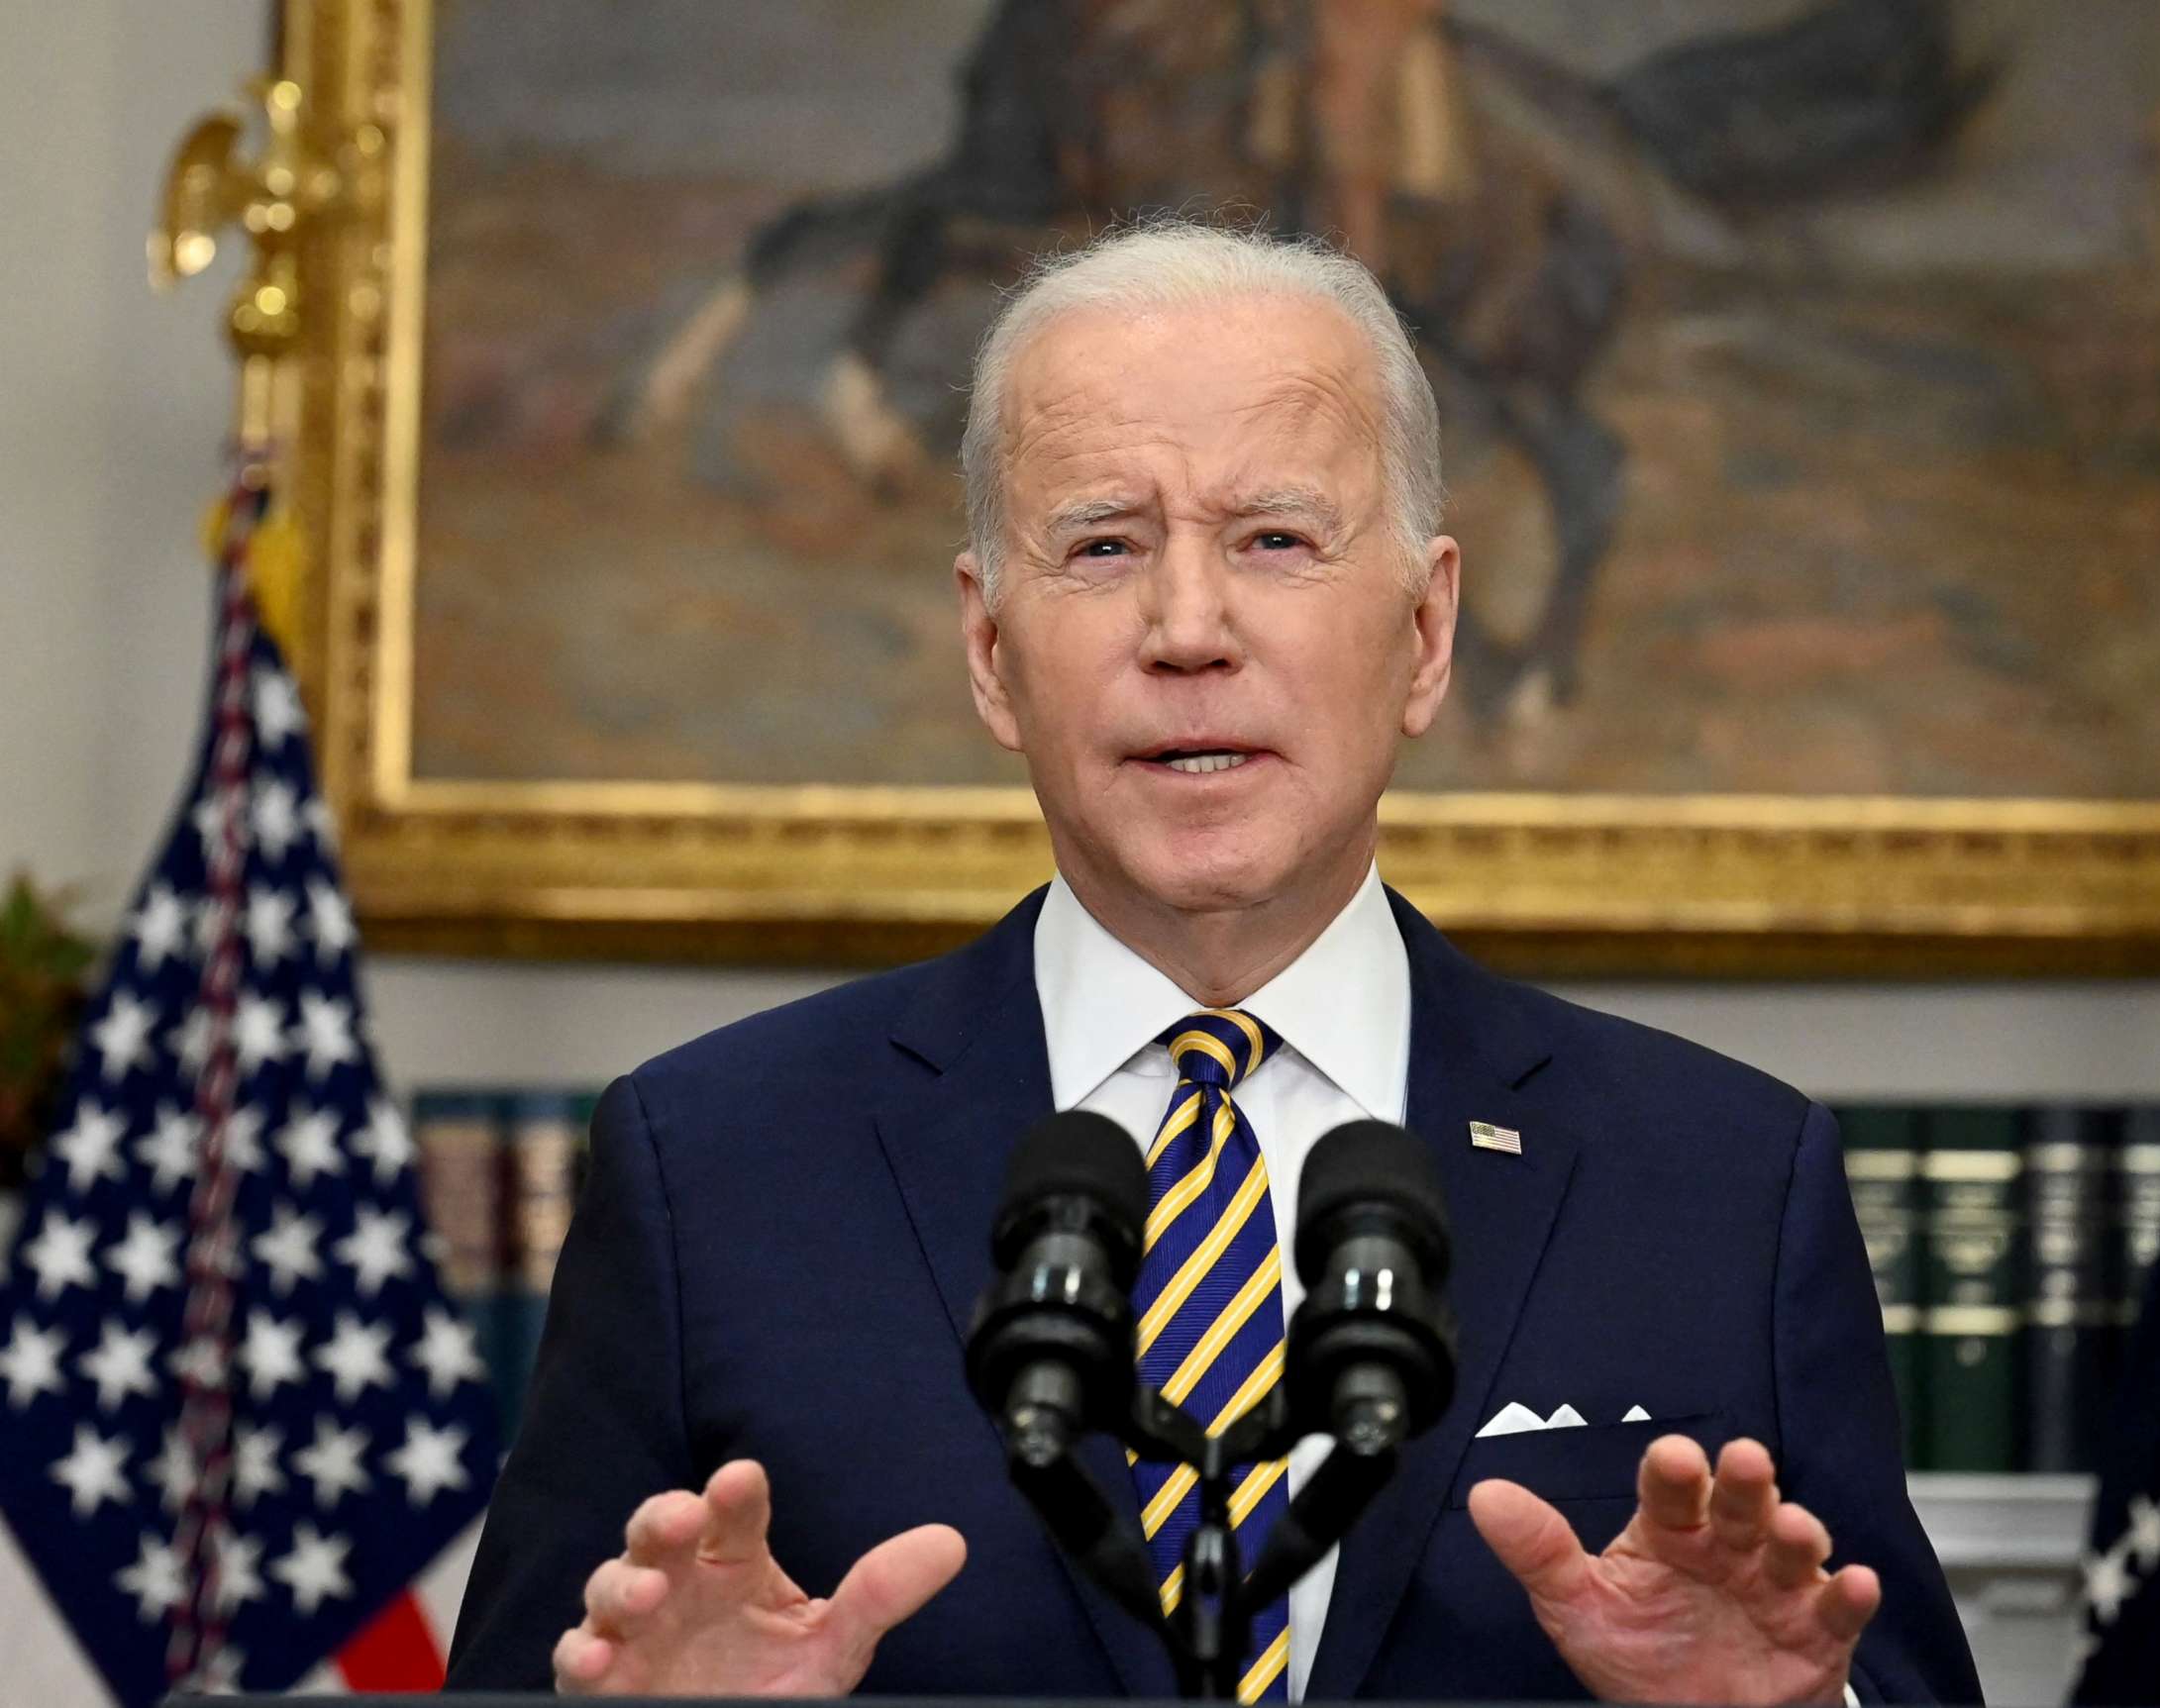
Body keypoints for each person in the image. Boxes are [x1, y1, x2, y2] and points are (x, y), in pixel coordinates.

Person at [445, 221, 1980, 1705]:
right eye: (1104, 544)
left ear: (1430, 632)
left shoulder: (1720, 1177)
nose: (1189, 627)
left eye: (1276, 539)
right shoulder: (710, 1169)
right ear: (990, 652)